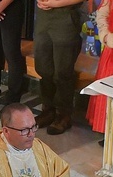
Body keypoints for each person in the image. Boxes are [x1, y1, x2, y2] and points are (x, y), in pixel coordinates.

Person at [33, 0, 83, 135]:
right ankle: (48, 110)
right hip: (43, 16)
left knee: (63, 71)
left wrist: (54, 3)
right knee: (43, 67)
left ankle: (64, 115)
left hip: (65, 15)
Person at [87, 0, 113, 138]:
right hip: (112, 52)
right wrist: (106, 36)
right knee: (108, 94)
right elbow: (102, 15)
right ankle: (109, 132)